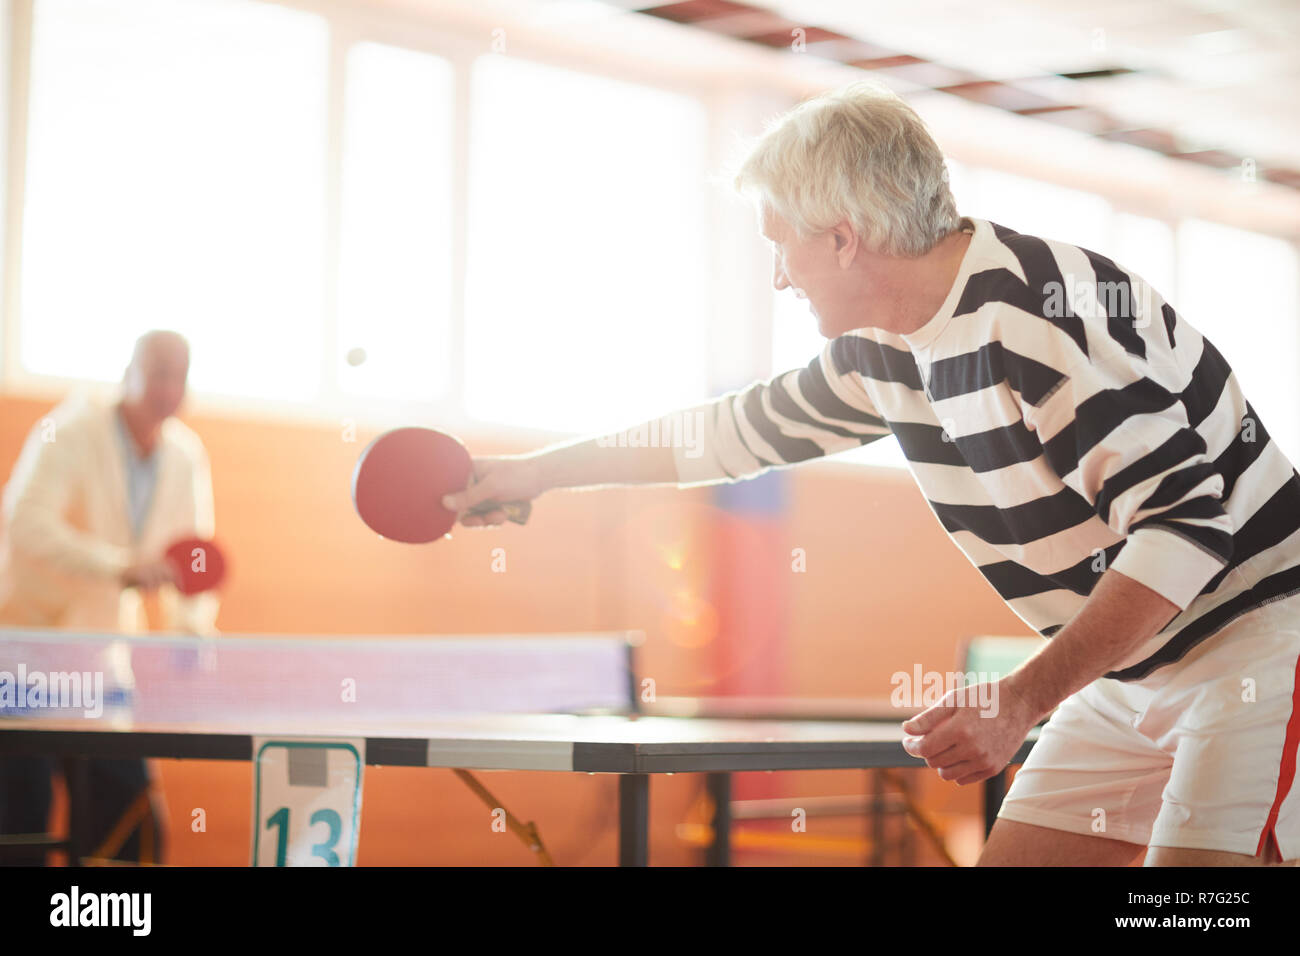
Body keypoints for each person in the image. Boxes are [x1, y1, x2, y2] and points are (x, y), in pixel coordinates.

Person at [443, 82, 1300, 867]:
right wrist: (536, 475)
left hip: (1257, 645)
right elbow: (727, 435)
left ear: (844, 239)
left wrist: (1020, 701)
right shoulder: (881, 350)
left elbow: (1187, 531)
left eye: (781, 247)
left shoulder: (1038, 317)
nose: (778, 277)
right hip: (1127, 666)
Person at [0, 329, 218, 864]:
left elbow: (190, 556)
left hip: (99, 665)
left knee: (127, 832)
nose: (169, 387)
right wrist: (121, 567)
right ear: (129, 374)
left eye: (180, 375)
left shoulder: (185, 456)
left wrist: (191, 631)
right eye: (158, 372)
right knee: (20, 831)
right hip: (23, 661)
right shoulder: (70, 429)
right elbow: (24, 523)